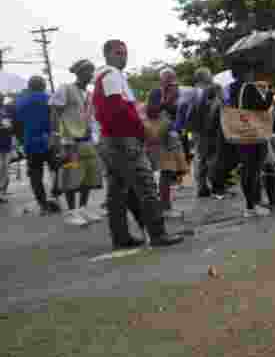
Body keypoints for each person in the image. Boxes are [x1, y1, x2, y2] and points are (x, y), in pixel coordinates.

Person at [93, 40, 182, 250]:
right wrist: (142, 131)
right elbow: (119, 109)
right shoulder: (112, 75)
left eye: (125, 53)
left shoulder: (103, 77)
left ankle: (121, 237)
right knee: (146, 186)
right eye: (118, 53)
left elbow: (115, 109)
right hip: (123, 139)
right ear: (107, 54)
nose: (123, 57)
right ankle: (157, 234)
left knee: (117, 192)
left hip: (111, 139)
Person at [50, 60, 104, 226]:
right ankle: (71, 212)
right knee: (71, 176)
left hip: (87, 141)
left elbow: (92, 118)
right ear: (79, 72)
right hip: (70, 143)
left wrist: (96, 137)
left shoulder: (89, 94)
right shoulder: (66, 89)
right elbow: (55, 112)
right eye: (88, 71)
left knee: (88, 176)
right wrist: (56, 137)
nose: (91, 74)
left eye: (92, 71)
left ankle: (82, 208)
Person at [226, 65, 274, 219]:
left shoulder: (231, 88)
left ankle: (250, 205)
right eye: (251, 70)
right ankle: (252, 206)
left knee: (246, 169)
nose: (253, 73)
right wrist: (269, 92)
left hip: (239, 133)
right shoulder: (249, 87)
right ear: (245, 72)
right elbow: (263, 107)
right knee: (253, 170)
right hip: (252, 134)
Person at [15, 77, 61, 215]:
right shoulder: (50, 99)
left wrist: (21, 141)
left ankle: (43, 204)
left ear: (29, 87)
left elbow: (17, 123)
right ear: (43, 86)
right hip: (49, 141)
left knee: (35, 174)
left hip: (30, 142)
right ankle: (55, 195)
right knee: (58, 168)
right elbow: (57, 120)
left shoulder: (21, 101)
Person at [145, 68, 188, 217]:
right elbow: (150, 113)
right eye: (167, 78)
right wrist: (166, 101)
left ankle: (165, 204)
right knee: (166, 170)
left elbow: (179, 113)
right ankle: (165, 207)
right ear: (161, 80)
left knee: (171, 171)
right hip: (160, 137)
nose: (171, 81)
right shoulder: (156, 93)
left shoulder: (178, 93)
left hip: (172, 135)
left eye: (172, 78)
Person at [180, 67, 215, 197]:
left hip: (197, 129)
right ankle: (202, 186)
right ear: (203, 77)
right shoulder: (201, 91)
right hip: (202, 129)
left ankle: (203, 185)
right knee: (202, 157)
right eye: (209, 75)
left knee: (201, 157)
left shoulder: (194, 91)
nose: (211, 77)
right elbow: (202, 110)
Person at [0, 95, 15, 202]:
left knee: (5, 168)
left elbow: (11, 125)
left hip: (6, 143)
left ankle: (2, 191)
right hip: (3, 143)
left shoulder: (6, 110)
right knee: (2, 167)